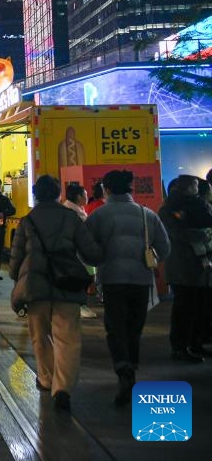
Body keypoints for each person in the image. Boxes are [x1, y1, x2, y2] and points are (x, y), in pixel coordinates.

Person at [9, 175, 103, 412]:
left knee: (40, 336)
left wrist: (16, 276)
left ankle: (46, 378)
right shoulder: (71, 217)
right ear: (58, 195)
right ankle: (63, 388)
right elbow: (90, 251)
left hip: (35, 285)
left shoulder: (27, 221)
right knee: (68, 338)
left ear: (36, 196)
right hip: (67, 283)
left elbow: (16, 258)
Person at [86, 169, 170, 407]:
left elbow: (86, 248)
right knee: (134, 327)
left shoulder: (99, 216)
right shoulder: (147, 215)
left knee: (115, 326)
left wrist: (98, 261)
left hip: (112, 279)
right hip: (140, 280)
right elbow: (164, 248)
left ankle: (123, 369)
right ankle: (131, 366)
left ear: (107, 189)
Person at [158, 175, 212, 363]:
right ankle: (180, 347)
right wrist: (202, 234)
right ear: (186, 187)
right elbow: (175, 234)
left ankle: (195, 343)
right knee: (184, 308)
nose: (198, 188)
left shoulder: (196, 205)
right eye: (195, 185)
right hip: (181, 264)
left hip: (199, 264)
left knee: (198, 306)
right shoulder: (167, 210)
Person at [63, 183, 98, 318]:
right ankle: (79, 306)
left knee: (86, 277)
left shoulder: (77, 210)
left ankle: (81, 305)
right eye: (85, 195)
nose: (87, 197)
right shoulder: (71, 212)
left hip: (81, 252)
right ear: (78, 197)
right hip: (77, 253)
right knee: (82, 278)